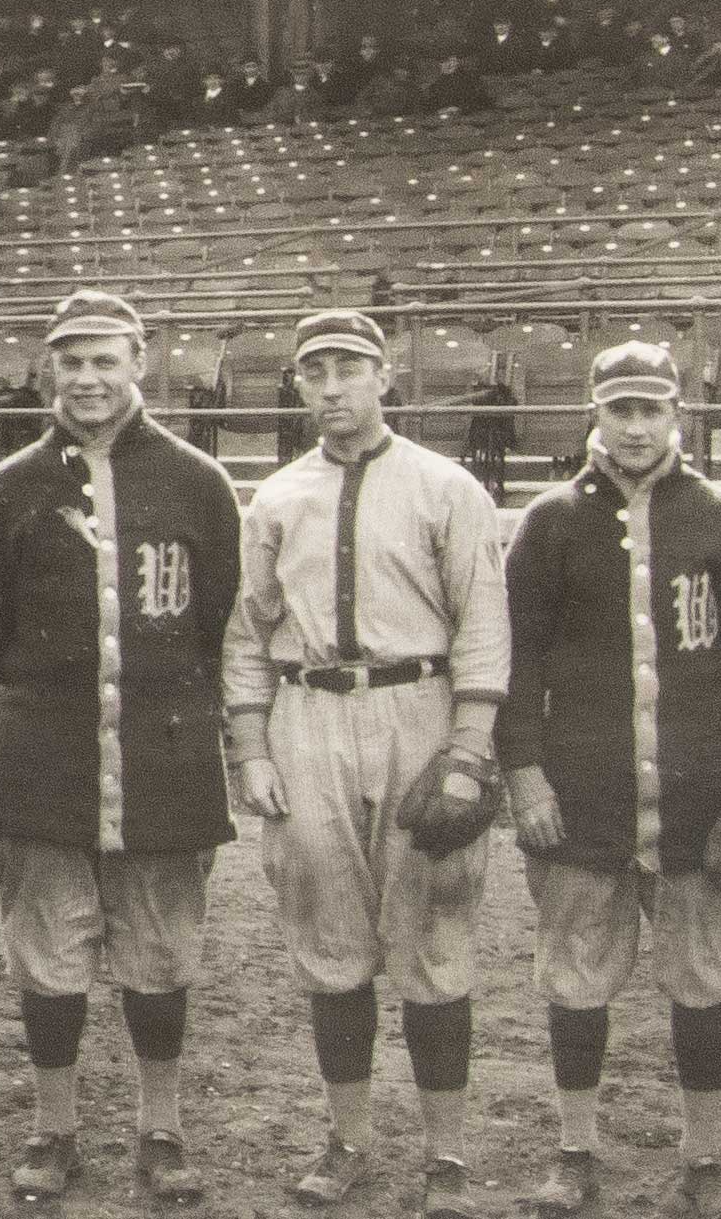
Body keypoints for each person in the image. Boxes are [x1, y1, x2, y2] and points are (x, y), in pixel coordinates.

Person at [0, 292, 245, 1210]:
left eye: (104, 360)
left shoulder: (197, 481)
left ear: (139, 363)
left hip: (163, 753)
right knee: (49, 951)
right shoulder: (9, 488)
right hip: (44, 752)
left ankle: (161, 1127)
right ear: (48, 368)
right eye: (70, 361)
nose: (87, 379)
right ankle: (54, 1127)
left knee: (159, 951)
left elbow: (217, 622)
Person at [229, 307, 519, 1211]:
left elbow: (482, 625)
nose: (331, 388)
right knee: (329, 941)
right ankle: (347, 1138)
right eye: (313, 372)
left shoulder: (446, 487)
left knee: (434, 933)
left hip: (418, 710)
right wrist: (250, 748)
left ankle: (446, 1153)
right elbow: (247, 635)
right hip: (307, 714)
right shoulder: (276, 497)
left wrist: (467, 747)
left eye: (348, 368)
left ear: (384, 377)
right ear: (298, 385)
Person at [497, 341, 721, 1219]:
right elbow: (515, 667)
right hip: (581, 795)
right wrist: (525, 777)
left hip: (700, 793)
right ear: (593, 413)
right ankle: (574, 1148)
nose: (634, 427)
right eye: (619, 409)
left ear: (677, 415)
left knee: (700, 977)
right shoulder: (549, 520)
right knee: (575, 976)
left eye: (650, 410)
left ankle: (703, 1156)